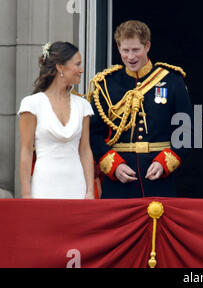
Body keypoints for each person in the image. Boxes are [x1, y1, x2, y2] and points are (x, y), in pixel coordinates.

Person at [88, 20, 193, 199]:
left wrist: (165, 162)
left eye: (136, 50)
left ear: (147, 46)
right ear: (118, 48)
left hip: (159, 176)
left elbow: (187, 129)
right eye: (125, 50)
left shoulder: (172, 81)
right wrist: (113, 165)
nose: (130, 57)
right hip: (119, 179)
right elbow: (93, 132)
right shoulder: (106, 84)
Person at [18, 42, 95, 199]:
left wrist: (89, 191)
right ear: (60, 67)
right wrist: (26, 194)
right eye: (77, 64)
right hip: (44, 186)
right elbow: (26, 151)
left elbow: (85, 150)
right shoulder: (31, 104)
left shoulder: (83, 105)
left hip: (77, 185)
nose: (82, 70)